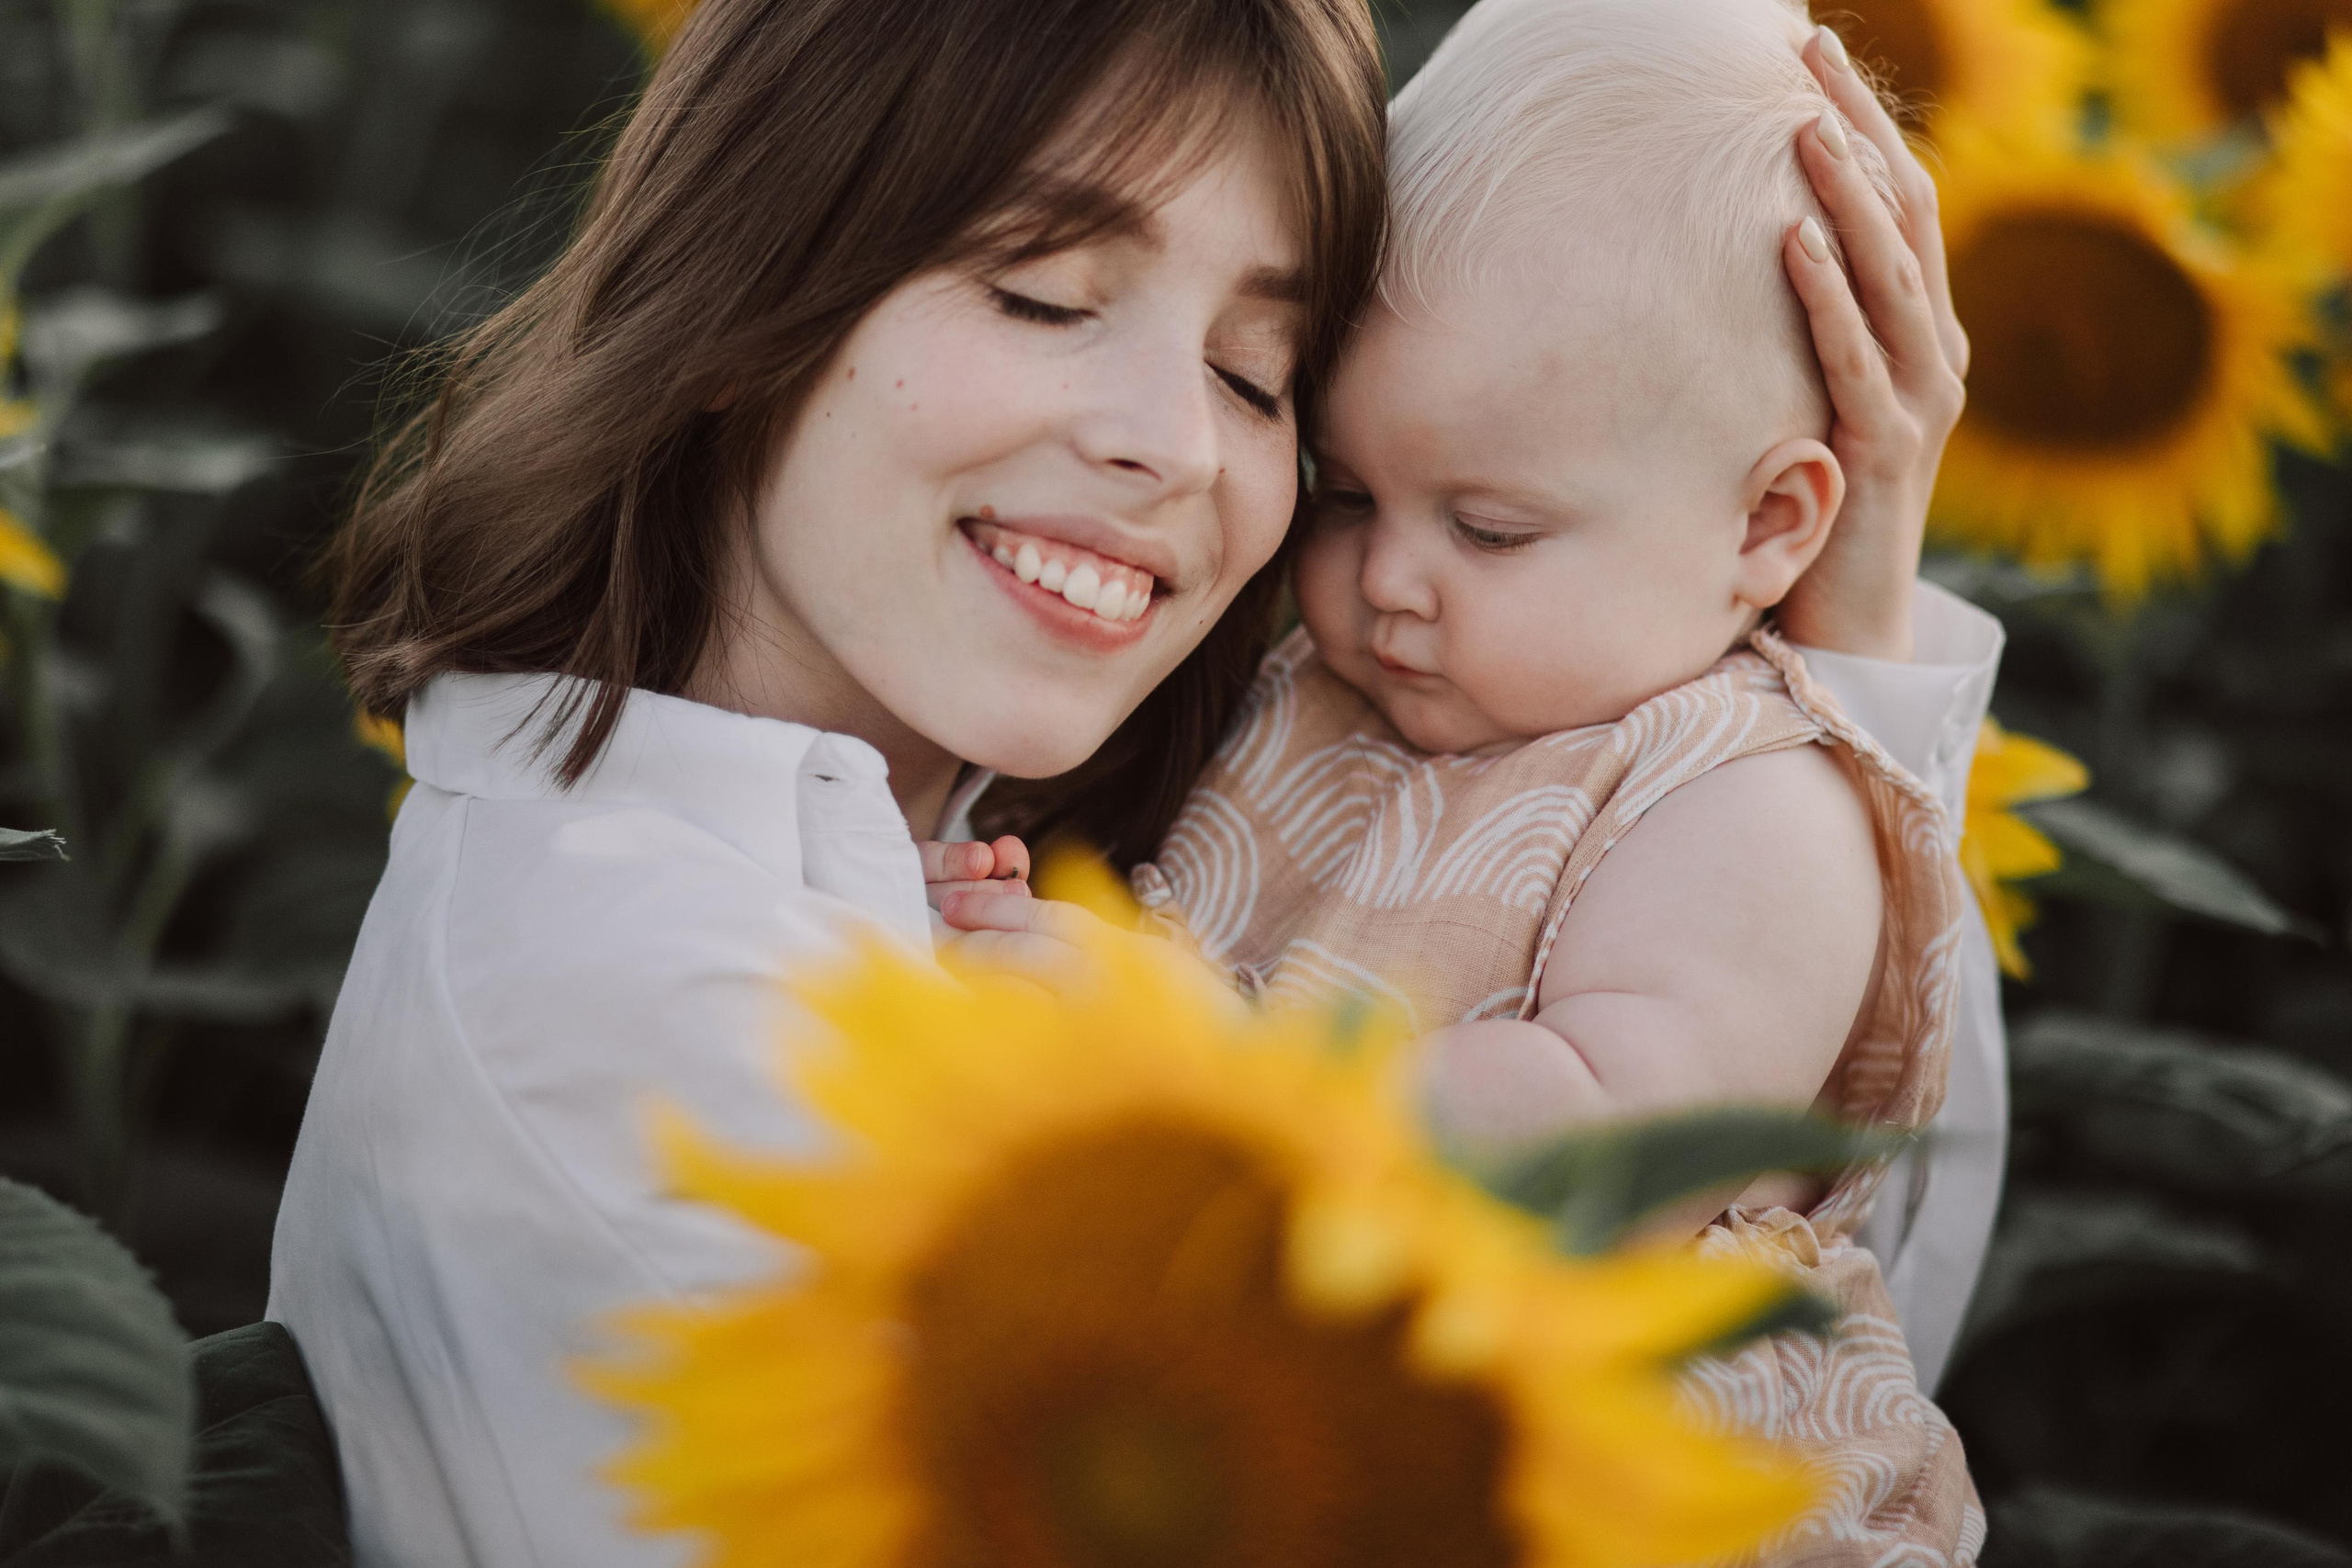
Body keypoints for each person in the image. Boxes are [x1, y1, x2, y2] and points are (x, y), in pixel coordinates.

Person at [267, 0, 1987, 1563]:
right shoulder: (656, 1025)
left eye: (1257, 379)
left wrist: (1822, 647)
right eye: (1043, 294)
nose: (1174, 442)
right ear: (748, 284)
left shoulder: (994, 805)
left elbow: (1818, 1250)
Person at [932, 0, 2003, 1554]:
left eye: (1491, 530)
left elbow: (1605, 1147)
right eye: (1349, 493)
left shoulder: (1755, 798)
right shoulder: (1327, 688)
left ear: (1774, 525)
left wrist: (1196, 1076)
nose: (1390, 583)